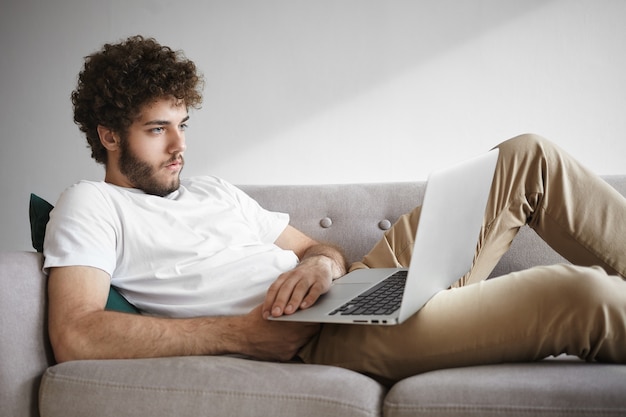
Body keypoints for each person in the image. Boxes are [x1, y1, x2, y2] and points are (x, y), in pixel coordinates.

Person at [44, 35, 626, 384]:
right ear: (110, 135)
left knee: (528, 156)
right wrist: (243, 336)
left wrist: (321, 267)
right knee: (579, 296)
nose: (180, 147)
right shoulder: (90, 204)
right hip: (319, 339)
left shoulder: (212, 191)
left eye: (183, 125)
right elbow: (76, 333)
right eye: (157, 130)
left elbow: (316, 248)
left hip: (358, 287)